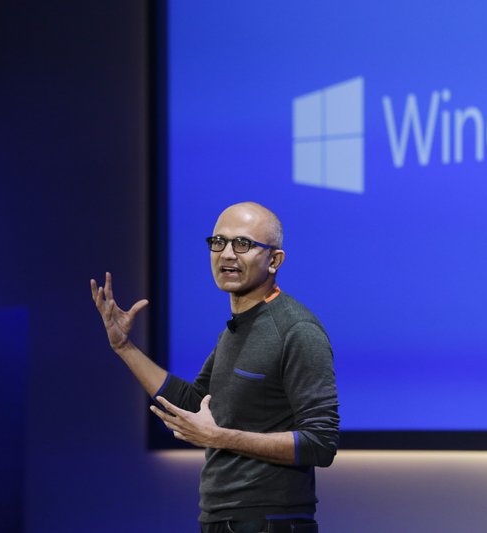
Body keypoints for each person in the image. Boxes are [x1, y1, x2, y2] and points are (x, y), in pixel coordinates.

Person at [91, 201, 339, 533]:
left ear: (274, 260)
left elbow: (319, 444)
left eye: (243, 244)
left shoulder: (297, 330)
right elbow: (196, 403)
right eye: (218, 242)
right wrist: (124, 347)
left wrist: (220, 437)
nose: (227, 254)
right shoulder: (234, 331)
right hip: (220, 518)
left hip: (271, 522)